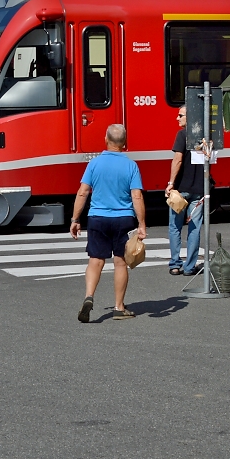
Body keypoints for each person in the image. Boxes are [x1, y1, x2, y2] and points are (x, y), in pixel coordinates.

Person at [70, 124, 146, 322]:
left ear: (105, 139)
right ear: (125, 143)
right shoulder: (131, 166)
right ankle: (119, 307)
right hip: (123, 219)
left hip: (98, 218)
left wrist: (75, 219)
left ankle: (89, 296)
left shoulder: (94, 164)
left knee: (95, 261)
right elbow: (136, 196)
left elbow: (82, 192)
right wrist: (142, 224)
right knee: (120, 263)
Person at [165, 106, 209, 277]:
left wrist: (170, 183)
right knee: (195, 228)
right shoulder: (205, 138)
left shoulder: (182, 135)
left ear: (189, 118)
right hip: (199, 190)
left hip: (181, 190)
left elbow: (177, 159)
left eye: (180, 115)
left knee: (175, 226)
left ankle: (175, 264)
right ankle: (190, 267)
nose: (177, 118)